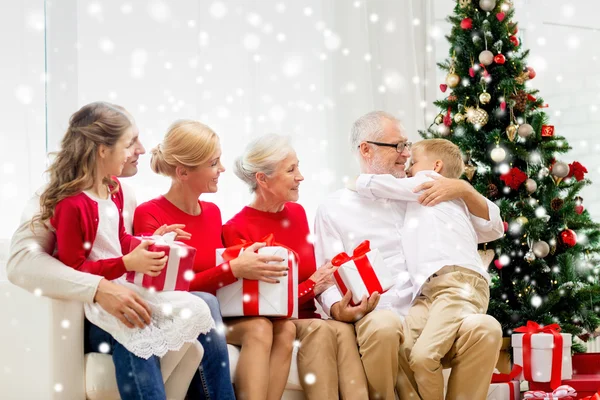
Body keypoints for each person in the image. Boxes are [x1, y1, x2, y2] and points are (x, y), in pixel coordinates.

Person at [7, 102, 234, 400]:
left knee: (202, 305)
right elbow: (23, 263)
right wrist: (101, 287)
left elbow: (116, 242)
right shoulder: (63, 199)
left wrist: (150, 242)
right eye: (131, 142)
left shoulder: (119, 192)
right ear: (103, 149)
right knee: (135, 320)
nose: (142, 149)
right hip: (91, 308)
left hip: (118, 286)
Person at [315, 111, 504, 399]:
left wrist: (464, 189)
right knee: (385, 326)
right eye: (398, 146)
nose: (406, 154)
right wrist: (336, 309)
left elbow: (491, 228)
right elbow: (327, 276)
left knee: (486, 327)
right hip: (382, 312)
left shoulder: (429, 190)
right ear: (366, 149)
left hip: (434, 304)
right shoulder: (334, 207)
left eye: (407, 146)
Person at [134, 120, 294, 400]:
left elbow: (218, 277)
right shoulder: (150, 214)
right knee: (257, 329)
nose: (222, 170)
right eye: (214, 163)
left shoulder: (212, 212)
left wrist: (243, 260)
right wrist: (232, 269)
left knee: (279, 326)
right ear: (183, 172)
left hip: (217, 313)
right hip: (180, 316)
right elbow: (166, 293)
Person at [221, 133, 369, 400]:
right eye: (291, 170)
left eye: (298, 167)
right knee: (321, 329)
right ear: (262, 179)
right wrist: (313, 284)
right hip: (281, 321)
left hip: (308, 315)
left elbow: (316, 279)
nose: (300, 176)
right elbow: (265, 305)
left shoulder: (297, 213)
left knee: (344, 330)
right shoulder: (236, 228)